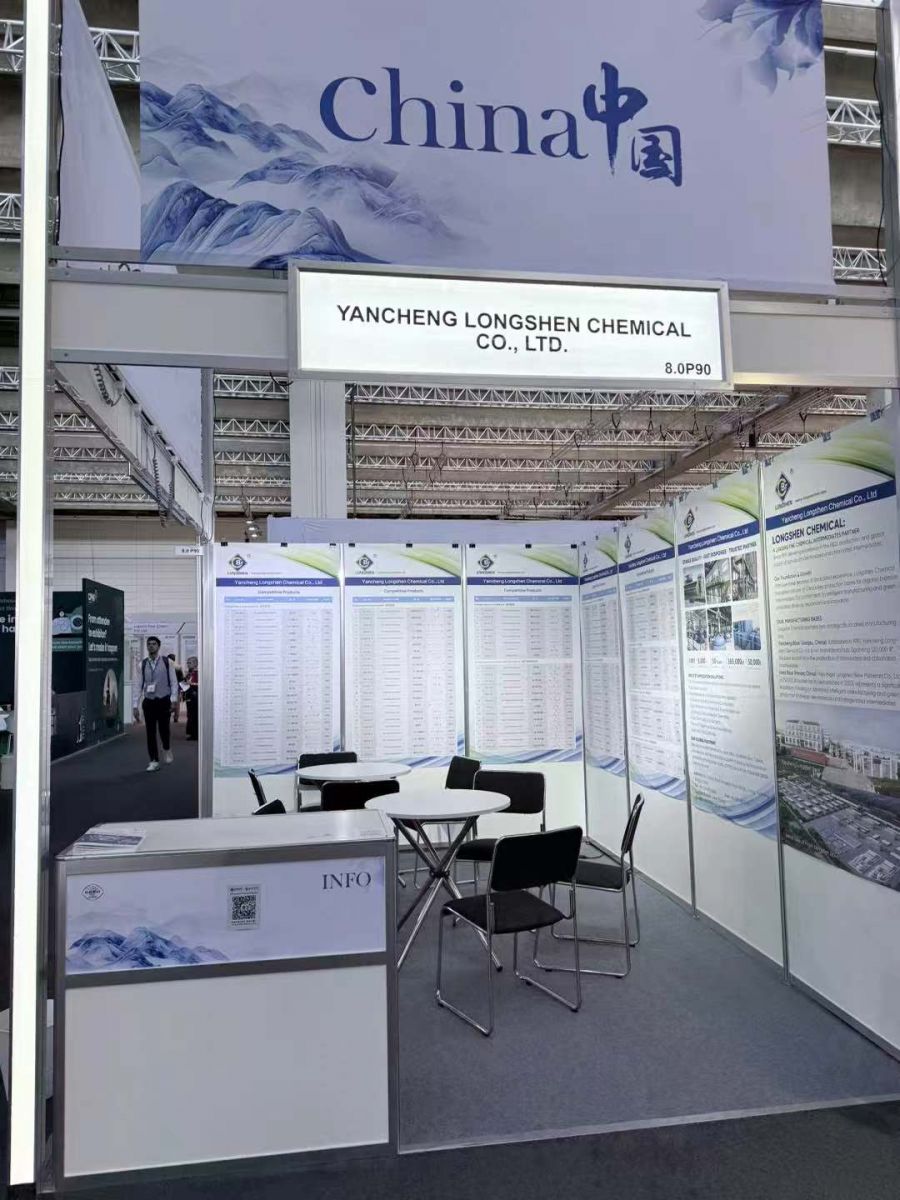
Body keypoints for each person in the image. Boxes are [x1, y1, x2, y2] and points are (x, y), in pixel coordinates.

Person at [138, 635, 178, 772]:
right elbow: (138, 685)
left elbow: (173, 682)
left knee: (164, 730)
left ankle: (166, 747)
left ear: (158, 646)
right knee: (150, 732)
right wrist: (134, 705)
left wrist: (173, 700)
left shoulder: (167, 662)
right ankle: (154, 760)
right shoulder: (142, 664)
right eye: (149, 644)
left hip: (163, 700)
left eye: (154, 644)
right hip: (149, 702)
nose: (151, 646)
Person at [184, 656, 199, 741]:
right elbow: (184, 684)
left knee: (195, 715)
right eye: (187, 663)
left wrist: (191, 685)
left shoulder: (198, 673)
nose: (188, 664)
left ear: (195, 663)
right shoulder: (189, 673)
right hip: (189, 696)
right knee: (190, 714)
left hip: (195, 695)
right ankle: (191, 733)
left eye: (190, 663)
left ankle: (196, 734)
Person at [168, 653, 185, 723]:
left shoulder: (166, 667)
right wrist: (182, 689)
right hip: (176, 687)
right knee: (177, 702)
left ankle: (168, 715)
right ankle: (176, 717)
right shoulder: (178, 667)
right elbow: (181, 679)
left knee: (168, 702)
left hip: (168, 687)